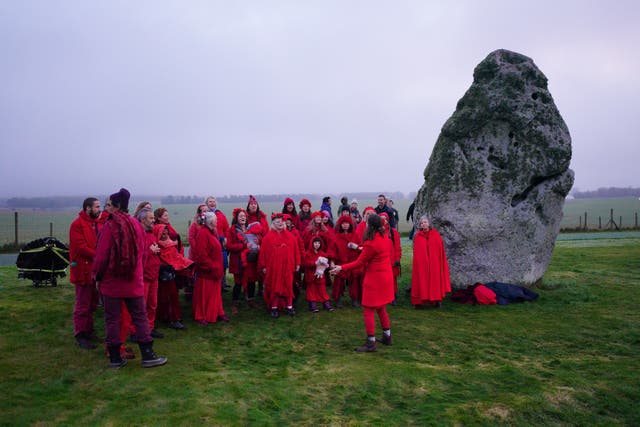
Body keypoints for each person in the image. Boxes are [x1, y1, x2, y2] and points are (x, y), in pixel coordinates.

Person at [92, 188, 167, 369]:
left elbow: (101, 256)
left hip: (111, 283)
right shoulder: (135, 225)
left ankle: (115, 358)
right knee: (140, 317)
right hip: (133, 281)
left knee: (112, 319)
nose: (106, 208)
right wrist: (138, 274)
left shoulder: (109, 227)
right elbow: (141, 255)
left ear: (116, 206)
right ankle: (148, 355)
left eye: (108, 205)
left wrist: (97, 276)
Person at [330, 214, 394, 352]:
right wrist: (360, 248)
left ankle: (371, 343)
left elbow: (360, 262)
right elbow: (370, 251)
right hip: (386, 277)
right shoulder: (384, 237)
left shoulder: (371, 243)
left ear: (369, 226)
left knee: (368, 309)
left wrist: (341, 267)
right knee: (381, 307)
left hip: (375, 279)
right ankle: (387, 336)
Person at [69, 197, 102, 350]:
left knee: (92, 302)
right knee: (82, 304)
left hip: (94, 270)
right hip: (83, 270)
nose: (99, 209)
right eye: (96, 207)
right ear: (88, 208)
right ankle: (80, 334)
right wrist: (100, 255)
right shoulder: (77, 225)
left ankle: (89, 330)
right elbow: (81, 247)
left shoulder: (95, 224)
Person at [258, 213, 300, 318]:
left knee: (288, 286)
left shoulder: (290, 237)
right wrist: (263, 266)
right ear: (273, 224)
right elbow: (263, 253)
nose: (280, 223)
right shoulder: (267, 238)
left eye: (281, 221)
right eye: (277, 222)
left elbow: (296, 251)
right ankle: (274, 308)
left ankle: (289, 306)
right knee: (274, 287)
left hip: (287, 267)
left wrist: (297, 263)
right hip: (274, 268)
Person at [192, 212, 228, 325]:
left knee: (215, 294)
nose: (217, 222)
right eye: (216, 220)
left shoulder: (213, 232)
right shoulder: (203, 234)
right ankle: (201, 315)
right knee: (205, 294)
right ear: (211, 221)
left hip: (215, 270)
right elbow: (202, 255)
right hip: (207, 271)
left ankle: (217, 312)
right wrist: (212, 267)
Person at [411, 216, 451, 308]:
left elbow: (439, 251)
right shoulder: (418, 237)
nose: (423, 224)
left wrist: (434, 260)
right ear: (420, 225)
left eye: (425, 222)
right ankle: (419, 301)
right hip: (422, 264)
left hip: (434, 263)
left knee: (435, 280)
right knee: (421, 280)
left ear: (429, 224)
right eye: (422, 223)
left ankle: (437, 300)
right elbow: (417, 253)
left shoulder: (435, 235)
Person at [226, 208, 261, 314]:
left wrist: (259, 242)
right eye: (240, 216)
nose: (242, 218)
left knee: (251, 281)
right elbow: (229, 246)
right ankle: (235, 303)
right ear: (236, 218)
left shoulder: (251, 229)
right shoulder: (232, 230)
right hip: (238, 261)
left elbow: (259, 240)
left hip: (251, 260)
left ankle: (250, 300)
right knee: (238, 282)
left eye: (244, 216)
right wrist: (243, 246)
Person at [136, 208, 164, 338]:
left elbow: (155, 250)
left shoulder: (151, 233)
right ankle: (136, 331)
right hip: (143, 277)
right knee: (141, 305)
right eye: (151, 218)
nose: (154, 220)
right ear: (142, 219)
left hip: (153, 275)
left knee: (152, 304)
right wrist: (150, 252)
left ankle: (149, 327)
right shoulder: (137, 235)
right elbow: (136, 256)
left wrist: (158, 251)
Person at [330, 215, 361, 308]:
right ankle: (338, 298)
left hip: (352, 262)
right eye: (343, 223)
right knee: (339, 281)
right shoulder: (336, 237)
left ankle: (355, 299)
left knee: (354, 281)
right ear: (340, 225)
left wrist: (356, 247)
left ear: (350, 224)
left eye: (347, 223)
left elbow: (361, 247)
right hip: (341, 262)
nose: (345, 225)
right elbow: (332, 250)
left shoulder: (355, 235)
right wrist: (332, 261)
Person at [205, 196, 230, 290]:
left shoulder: (220, 215)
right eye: (210, 201)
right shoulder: (205, 215)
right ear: (206, 203)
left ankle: (223, 283)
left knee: (223, 263)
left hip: (221, 241)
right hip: (210, 241)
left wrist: (226, 238)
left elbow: (226, 228)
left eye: (213, 201)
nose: (212, 203)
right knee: (213, 263)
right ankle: (215, 284)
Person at [302, 237, 333, 313]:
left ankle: (326, 303)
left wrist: (326, 265)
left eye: (318, 243)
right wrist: (314, 263)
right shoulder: (308, 253)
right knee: (311, 289)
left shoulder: (322, 253)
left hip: (320, 275)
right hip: (311, 275)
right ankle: (312, 304)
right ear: (312, 244)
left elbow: (326, 262)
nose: (317, 245)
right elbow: (305, 263)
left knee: (322, 289)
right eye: (315, 243)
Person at [380, 212, 402, 305]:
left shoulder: (393, 232)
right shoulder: (376, 232)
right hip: (380, 260)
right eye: (381, 218)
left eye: (385, 218)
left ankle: (393, 296)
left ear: (387, 220)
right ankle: (383, 296)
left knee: (393, 280)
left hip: (392, 260)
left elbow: (397, 247)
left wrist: (397, 259)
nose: (383, 220)